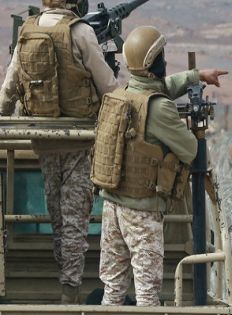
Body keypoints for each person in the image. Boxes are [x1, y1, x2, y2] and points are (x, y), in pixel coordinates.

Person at [93, 25, 228, 306]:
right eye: (161, 59)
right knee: (147, 293)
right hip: (141, 211)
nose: (165, 63)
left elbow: (158, 89)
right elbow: (191, 150)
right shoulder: (159, 109)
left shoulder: (123, 95)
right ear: (153, 64)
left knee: (113, 289)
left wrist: (196, 75)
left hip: (112, 206)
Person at [0, 0, 119, 304]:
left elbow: (9, 86)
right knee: (75, 223)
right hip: (79, 141)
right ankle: (69, 293)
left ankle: (66, 284)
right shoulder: (80, 32)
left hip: (44, 141)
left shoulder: (28, 31)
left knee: (57, 219)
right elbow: (108, 86)